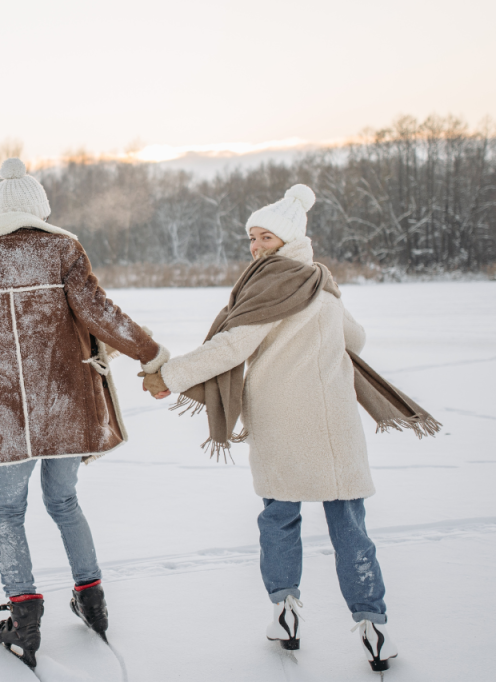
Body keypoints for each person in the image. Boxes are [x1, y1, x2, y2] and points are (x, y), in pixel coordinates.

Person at [143, 184, 438, 673]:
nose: (255, 247)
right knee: (349, 526)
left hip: (283, 423)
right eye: (251, 238)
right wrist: (329, 309)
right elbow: (357, 340)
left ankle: (285, 612)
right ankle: (374, 627)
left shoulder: (271, 284)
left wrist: (169, 376)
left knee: (280, 518)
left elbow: (232, 346)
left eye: (264, 238)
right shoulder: (319, 282)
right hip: (336, 424)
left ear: (287, 240)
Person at [0, 158, 170, 667]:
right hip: (65, 406)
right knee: (64, 500)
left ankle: (24, 618)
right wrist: (151, 354)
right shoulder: (61, 250)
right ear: (39, 207)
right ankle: (92, 601)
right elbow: (101, 315)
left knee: (7, 511)